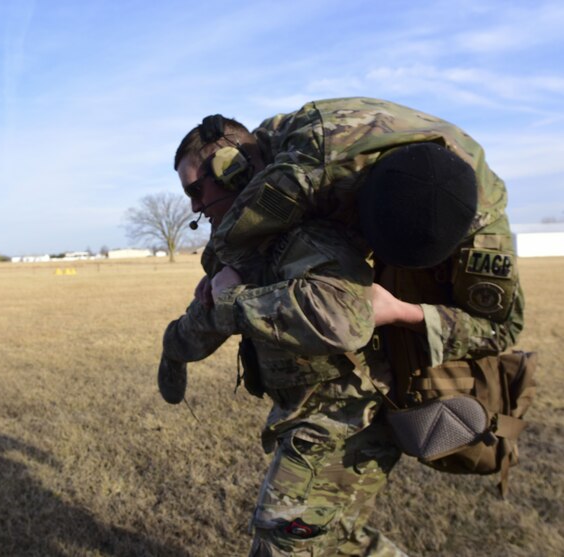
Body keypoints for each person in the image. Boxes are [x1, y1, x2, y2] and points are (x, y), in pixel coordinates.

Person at [158, 98, 523, 556]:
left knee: (285, 539)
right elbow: (240, 237)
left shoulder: (483, 226)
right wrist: (212, 286)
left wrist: (402, 311)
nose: (194, 206)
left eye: (196, 190)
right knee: (339, 539)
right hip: (324, 392)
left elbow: (501, 328)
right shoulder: (297, 156)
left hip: (351, 401)